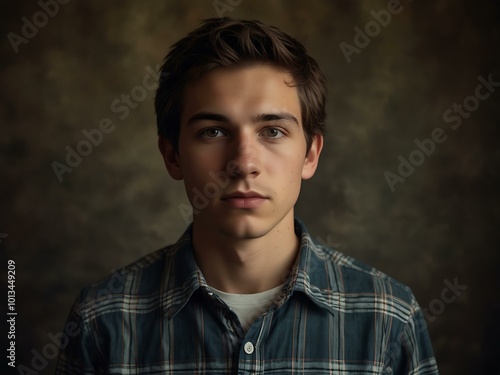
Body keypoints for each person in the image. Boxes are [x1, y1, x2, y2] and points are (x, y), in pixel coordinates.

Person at [55, 17, 439, 374]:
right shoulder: (101, 320)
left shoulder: (389, 317)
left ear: (310, 154)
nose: (243, 163)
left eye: (272, 131)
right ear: (172, 156)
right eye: (213, 132)